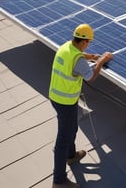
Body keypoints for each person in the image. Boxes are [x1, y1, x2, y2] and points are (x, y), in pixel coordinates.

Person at [49, 23, 113, 188]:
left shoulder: (66, 47)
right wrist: (101, 60)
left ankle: (71, 155)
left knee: (72, 128)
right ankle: (59, 181)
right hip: (66, 101)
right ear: (84, 42)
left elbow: (76, 57)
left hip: (56, 96)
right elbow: (90, 76)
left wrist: (89, 56)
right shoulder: (78, 60)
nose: (89, 44)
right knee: (63, 139)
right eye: (89, 42)